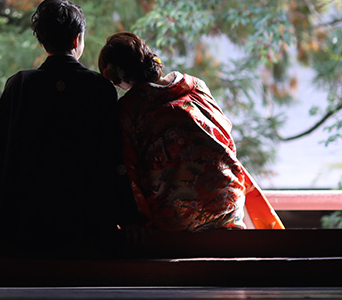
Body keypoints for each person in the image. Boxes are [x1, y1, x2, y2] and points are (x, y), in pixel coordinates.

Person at [0, 0, 138, 256]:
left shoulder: (20, 85)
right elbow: (112, 156)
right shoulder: (99, 89)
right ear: (77, 40)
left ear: (43, 41)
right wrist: (128, 215)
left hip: (24, 227)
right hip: (84, 227)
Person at [97, 31, 284, 231]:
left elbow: (128, 169)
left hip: (178, 219)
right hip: (228, 201)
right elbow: (225, 137)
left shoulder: (129, 109)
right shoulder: (196, 87)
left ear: (117, 75)